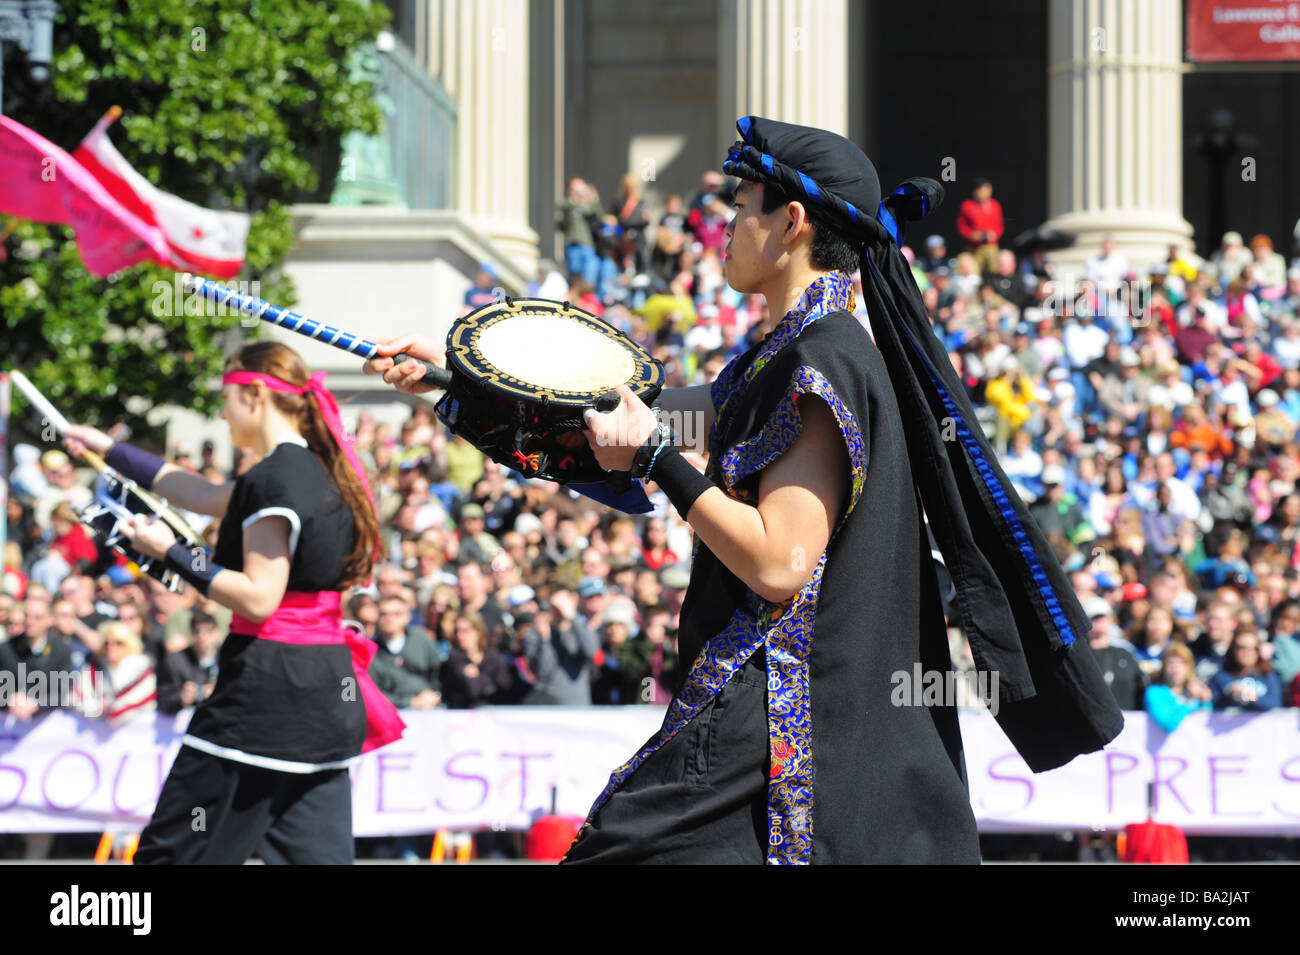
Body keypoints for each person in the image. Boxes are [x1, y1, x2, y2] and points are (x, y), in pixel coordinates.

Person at [365, 117, 1122, 864]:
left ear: (791, 222)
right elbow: (636, 416)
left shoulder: (822, 360)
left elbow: (779, 560)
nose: (724, 222)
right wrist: (462, 380)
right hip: (780, 736)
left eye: (741, 202)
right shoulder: (787, 354)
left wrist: (659, 460)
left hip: (778, 733)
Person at [61, 340, 403, 864]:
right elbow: (199, 494)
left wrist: (170, 551)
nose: (221, 413)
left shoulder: (274, 479)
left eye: (226, 398)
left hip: (265, 698)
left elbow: (260, 598)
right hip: (325, 701)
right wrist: (107, 449)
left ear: (257, 394)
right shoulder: (324, 471)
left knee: (168, 858)